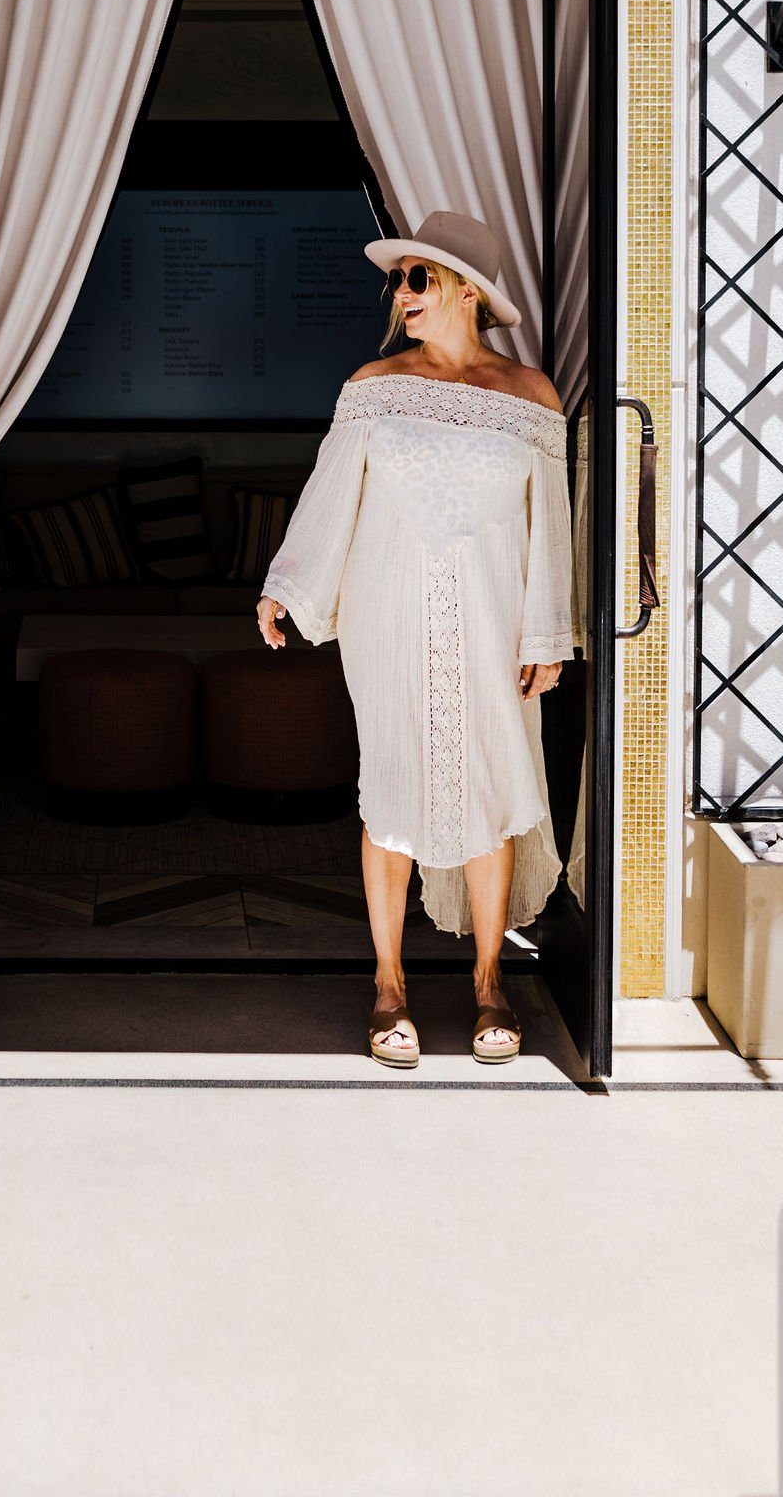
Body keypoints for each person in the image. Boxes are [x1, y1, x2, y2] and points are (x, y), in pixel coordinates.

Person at [257, 210, 574, 1069]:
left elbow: (551, 529)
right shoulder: (375, 383)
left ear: (468, 291)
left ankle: (488, 984)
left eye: (418, 277)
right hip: (386, 615)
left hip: (494, 620)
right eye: (396, 279)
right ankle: (389, 986)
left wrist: (549, 630)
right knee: (392, 786)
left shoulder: (532, 395)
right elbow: (332, 496)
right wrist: (288, 584)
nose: (400, 293)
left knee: (492, 789)